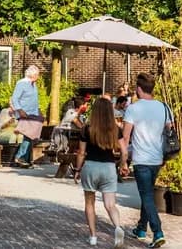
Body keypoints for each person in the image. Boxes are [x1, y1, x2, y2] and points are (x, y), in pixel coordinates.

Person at [120, 73, 169, 248]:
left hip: (141, 159)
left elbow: (125, 138)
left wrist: (123, 161)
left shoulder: (133, 108)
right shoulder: (163, 107)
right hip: (157, 159)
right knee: (146, 194)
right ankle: (141, 228)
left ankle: (157, 232)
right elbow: (169, 130)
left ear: (139, 89)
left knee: (147, 195)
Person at [72, 97, 125, 248]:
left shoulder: (86, 129)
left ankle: (93, 236)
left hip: (91, 167)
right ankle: (118, 227)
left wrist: (77, 169)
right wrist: (123, 164)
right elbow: (124, 151)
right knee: (110, 204)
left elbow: (81, 153)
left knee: (90, 203)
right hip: (108, 168)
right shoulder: (116, 129)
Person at [9, 65, 44, 168]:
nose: (38, 76)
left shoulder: (34, 85)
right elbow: (15, 98)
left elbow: (35, 100)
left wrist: (39, 111)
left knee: (30, 136)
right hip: (25, 113)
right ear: (33, 75)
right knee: (29, 135)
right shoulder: (22, 83)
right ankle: (20, 157)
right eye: (37, 74)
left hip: (33, 113)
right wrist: (20, 110)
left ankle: (26, 160)